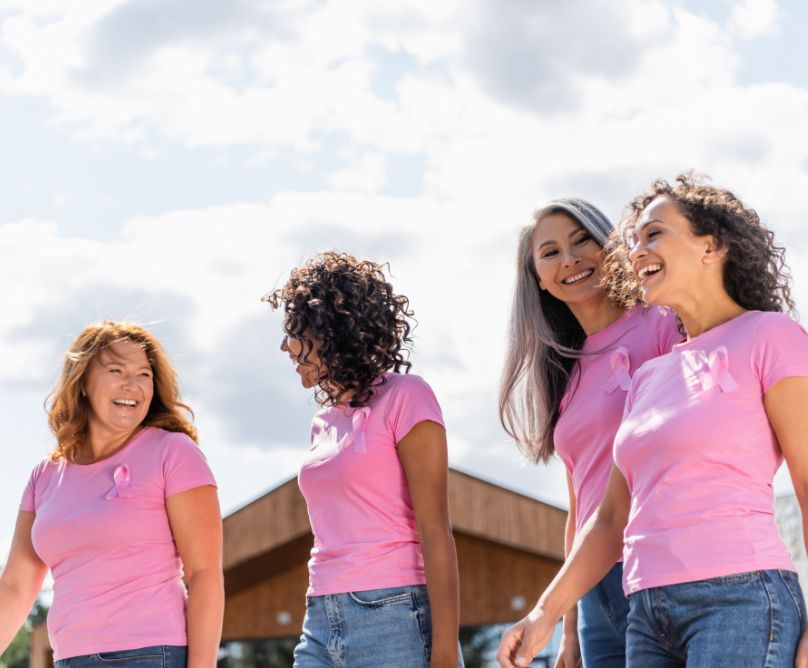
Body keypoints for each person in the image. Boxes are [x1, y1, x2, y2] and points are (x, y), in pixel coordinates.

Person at [498, 174, 808, 668]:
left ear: (712, 245)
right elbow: (608, 517)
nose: (636, 250)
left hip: (737, 596)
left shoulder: (771, 335)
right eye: (633, 239)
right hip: (647, 607)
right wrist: (545, 614)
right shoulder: (649, 377)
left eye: (654, 234)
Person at [499, 198, 681, 667]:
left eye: (582, 241)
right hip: (594, 594)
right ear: (538, 278)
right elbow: (579, 506)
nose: (570, 259)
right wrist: (569, 627)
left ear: (610, 245)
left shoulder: (662, 325)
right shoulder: (567, 374)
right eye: (550, 252)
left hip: (659, 570)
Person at [263, 251, 463, 668]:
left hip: (394, 613)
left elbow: (435, 529)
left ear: (329, 327)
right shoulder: (323, 422)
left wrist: (445, 652)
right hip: (321, 616)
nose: (284, 347)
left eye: (293, 331)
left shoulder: (407, 396)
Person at [0, 322, 223, 668]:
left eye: (144, 374)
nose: (132, 385)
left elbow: (203, 574)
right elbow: (15, 586)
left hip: (150, 655)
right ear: (82, 383)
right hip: (69, 658)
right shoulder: (45, 476)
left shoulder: (174, 453)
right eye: (116, 371)